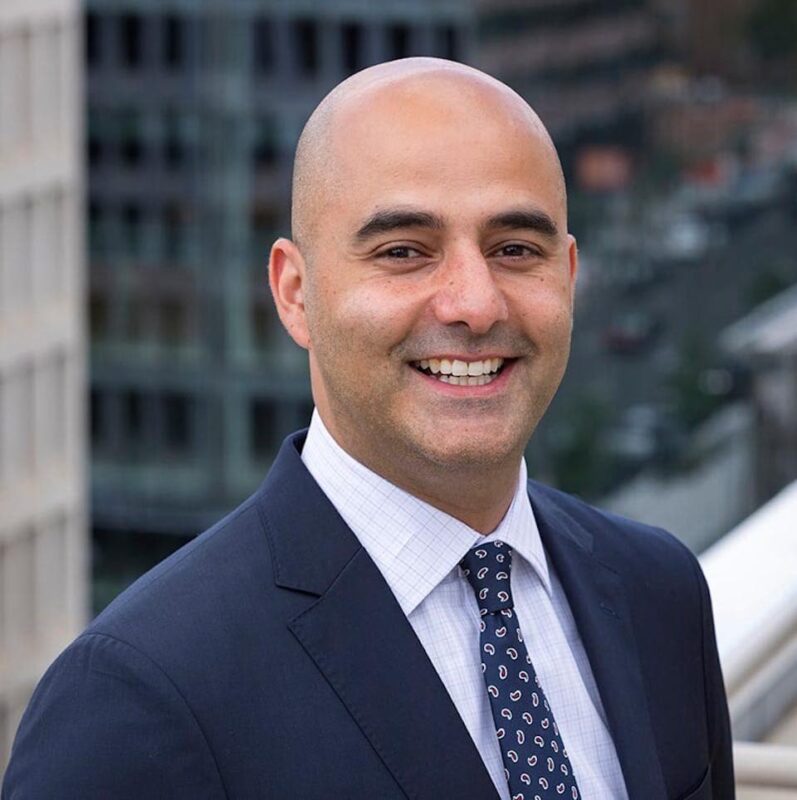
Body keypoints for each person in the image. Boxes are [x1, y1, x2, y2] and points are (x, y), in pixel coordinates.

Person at [3, 58, 733, 800]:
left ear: (568, 275)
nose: (474, 305)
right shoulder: (136, 695)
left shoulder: (657, 591)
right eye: (403, 252)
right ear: (294, 293)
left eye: (515, 249)